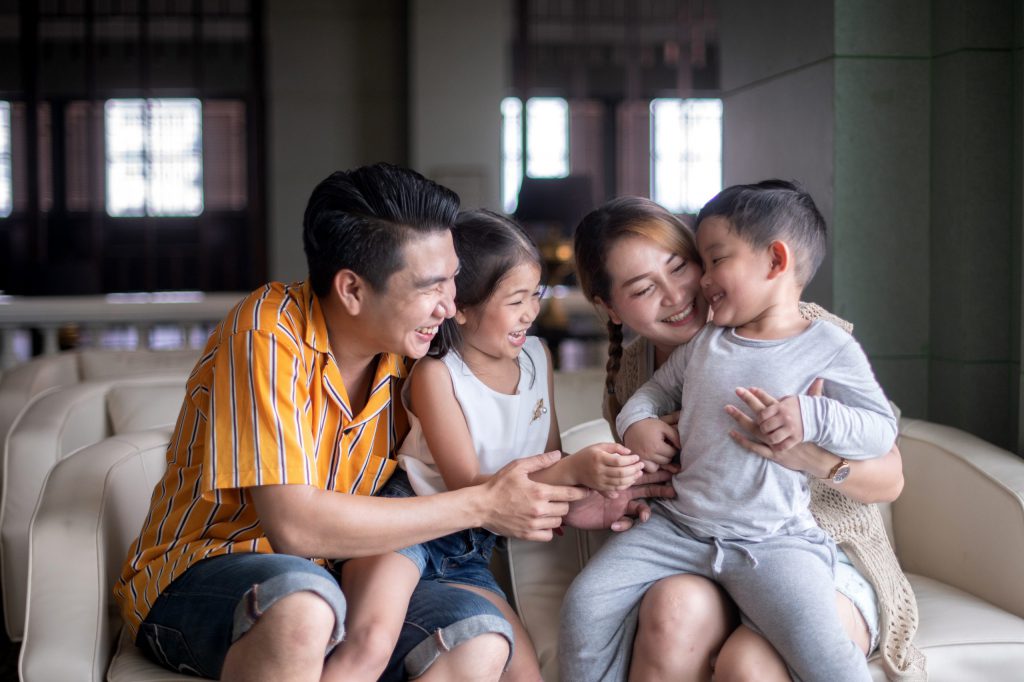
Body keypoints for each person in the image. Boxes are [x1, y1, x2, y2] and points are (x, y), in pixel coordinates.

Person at [112, 164, 667, 682]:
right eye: (430, 286)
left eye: (453, 281)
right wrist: (484, 503)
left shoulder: (417, 354)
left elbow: (500, 438)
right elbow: (295, 528)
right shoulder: (268, 330)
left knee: (480, 640)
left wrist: (584, 494)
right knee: (304, 606)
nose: (450, 306)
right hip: (210, 568)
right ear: (352, 289)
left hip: (343, 573)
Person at [561, 187, 925, 681]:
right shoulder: (640, 371)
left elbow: (889, 469)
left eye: (683, 265)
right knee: (664, 612)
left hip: (807, 546)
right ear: (612, 309)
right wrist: (632, 447)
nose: (678, 293)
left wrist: (809, 448)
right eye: (643, 290)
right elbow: (646, 452)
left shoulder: (810, 334)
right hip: (692, 534)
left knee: (748, 667)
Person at [328, 209, 645, 680]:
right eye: (515, 300)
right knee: (369, 643)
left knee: (526, 673)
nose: (532, 313)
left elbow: (549, 459)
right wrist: (575, 470)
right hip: (409, 525)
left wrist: (592, 497)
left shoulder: (537, 356)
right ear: (462, 307)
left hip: (470, 548)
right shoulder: (437, 374)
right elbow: (466, 484)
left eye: (535, 295)